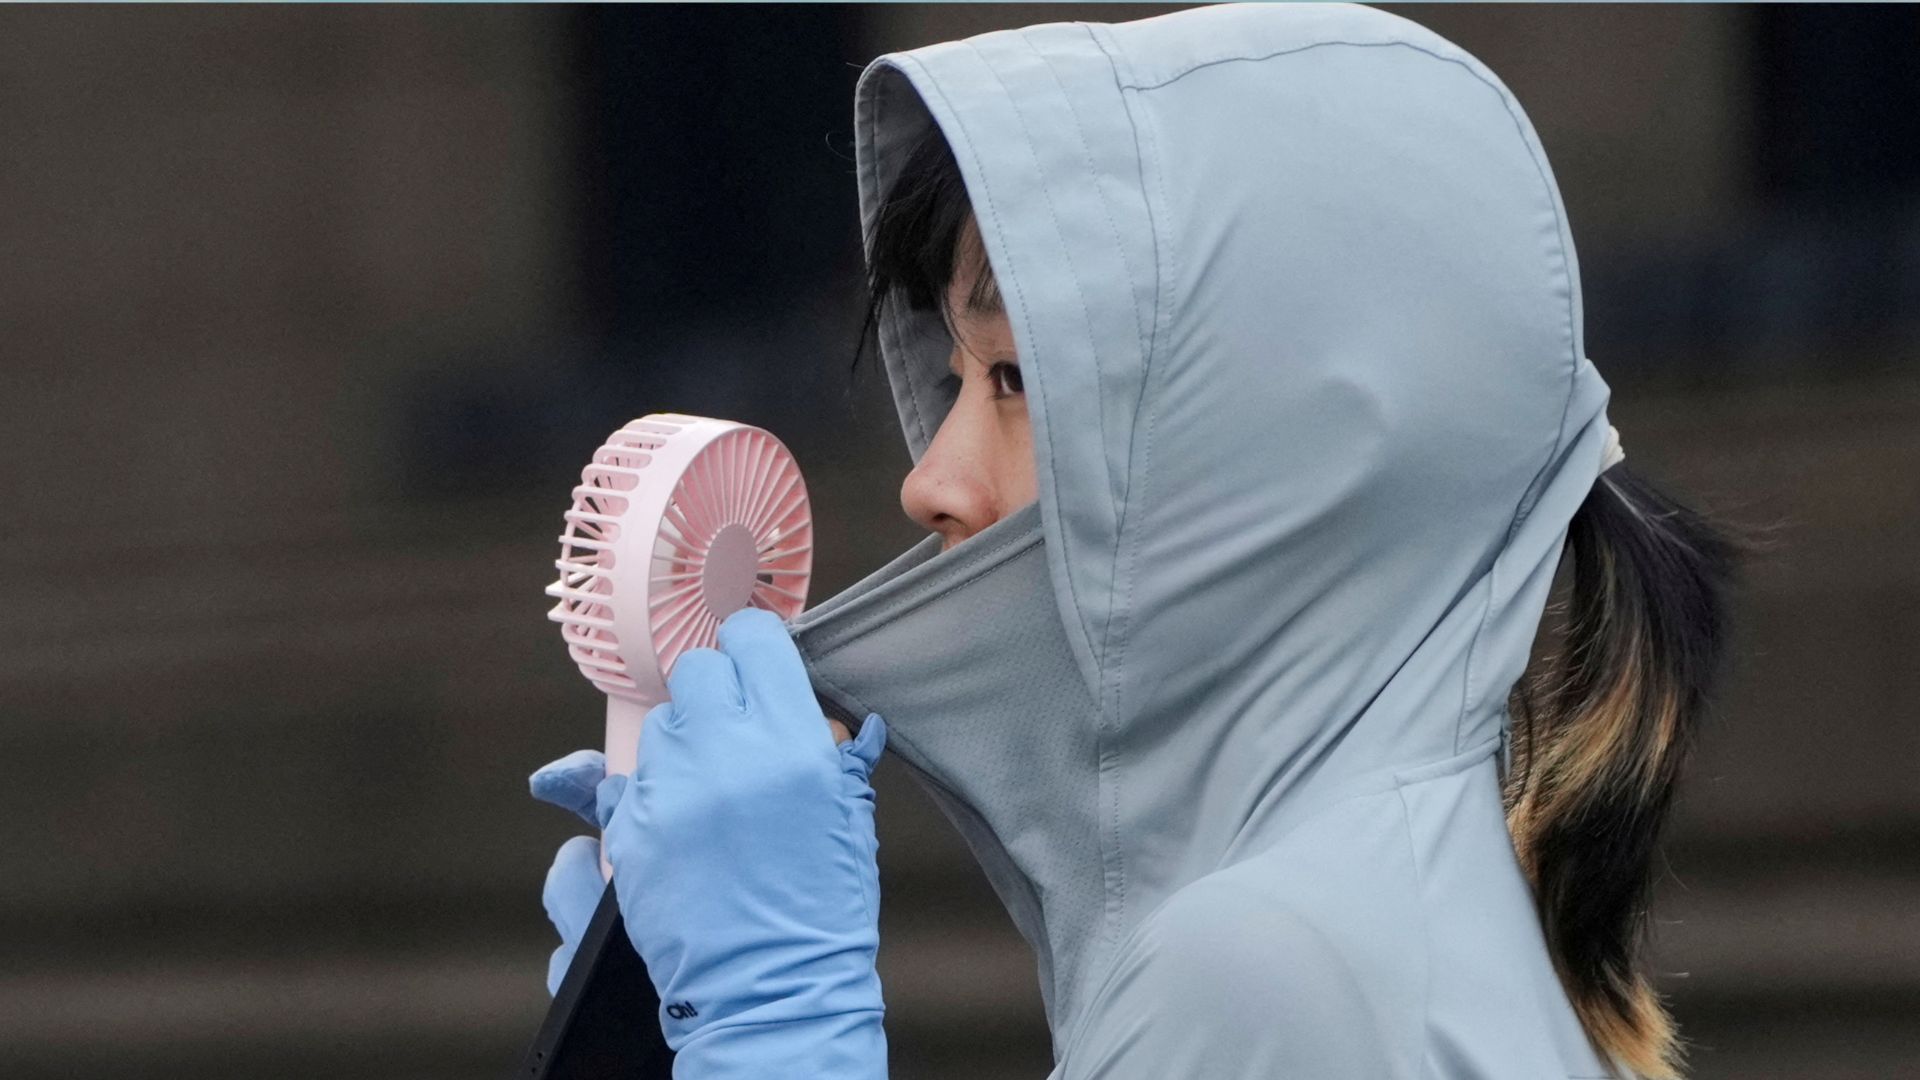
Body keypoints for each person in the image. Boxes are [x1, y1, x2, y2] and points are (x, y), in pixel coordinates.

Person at [530, 4, 1742, 1078]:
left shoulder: (1259, 978)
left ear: (1270, 451)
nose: (929, 481)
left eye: (1013, 378)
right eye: (955, 375)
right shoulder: (1363, 924)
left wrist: (779, 1031)